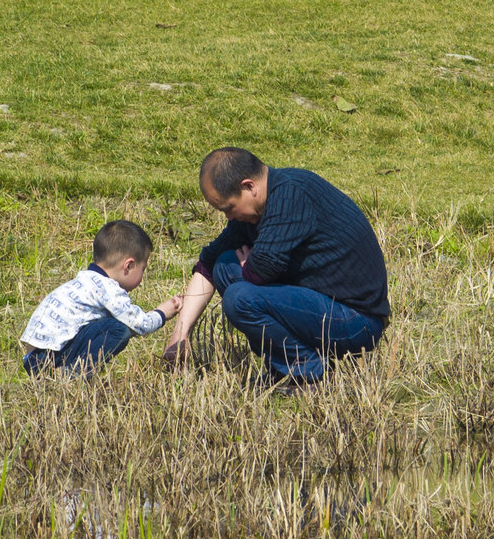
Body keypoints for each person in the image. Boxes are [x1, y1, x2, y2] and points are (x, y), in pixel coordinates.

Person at [163, 147, 390, 391]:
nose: (228, 217)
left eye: (228, 208)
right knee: (225, 266)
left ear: (250, 187)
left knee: (240, 298)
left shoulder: (291, 196)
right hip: (319, 307)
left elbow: (259, 272)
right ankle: (283, 367)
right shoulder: (257, 209)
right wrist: (181, 334)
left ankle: (308, 372)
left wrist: (251, 267)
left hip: (357, 321)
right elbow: (208, 263)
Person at [21, 220, 183, 377]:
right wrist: (162, 313)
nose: (142, 277)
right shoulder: (108, 289)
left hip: (33, 358)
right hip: (50, 358)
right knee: (118, 329)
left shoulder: (83, 281)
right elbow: (140, 324)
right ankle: (72, 375)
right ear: (128, 266)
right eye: (143, 269)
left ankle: (60, 374)